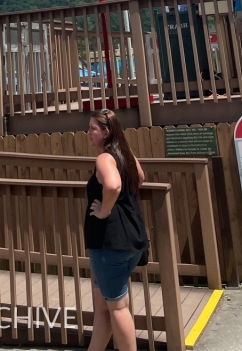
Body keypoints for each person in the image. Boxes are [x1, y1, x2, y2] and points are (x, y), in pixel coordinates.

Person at [85, 109, 149, 351]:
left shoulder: (104, 158)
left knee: (118, 307)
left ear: (106, 132)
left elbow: (112, 185)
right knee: (104, 307)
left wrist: (104, 211)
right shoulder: (125, 153)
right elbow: (140, 177)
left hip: (110, 244)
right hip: (133, 239)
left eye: (92, 128)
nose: (88, 132)